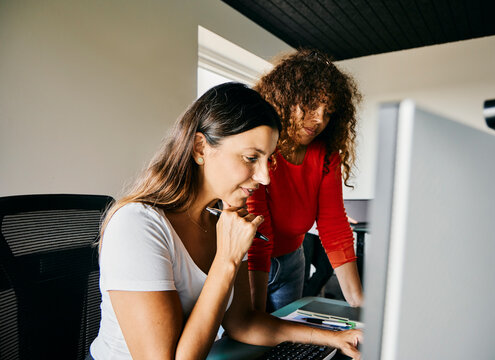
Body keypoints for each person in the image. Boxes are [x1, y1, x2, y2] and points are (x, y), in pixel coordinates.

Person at [87, 82, 362, 360]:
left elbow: (242, 322)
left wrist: (334, 338)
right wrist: (227, 260)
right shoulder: (137, 226)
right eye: (251, 158)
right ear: (200, 148)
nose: (265, 177)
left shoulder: (223, 219)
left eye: (269, 160)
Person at [247, 49, 364, 313]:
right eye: (311, 106)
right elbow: (258, 232)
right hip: (249, 264)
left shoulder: (326, 155)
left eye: (329, 111)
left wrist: (360, 303)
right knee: (254, 344)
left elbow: (334, 225)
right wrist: (254, 317)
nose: (320, 119)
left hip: (293, 260)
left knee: (288, 345)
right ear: (285, 99)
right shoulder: (261, 148)